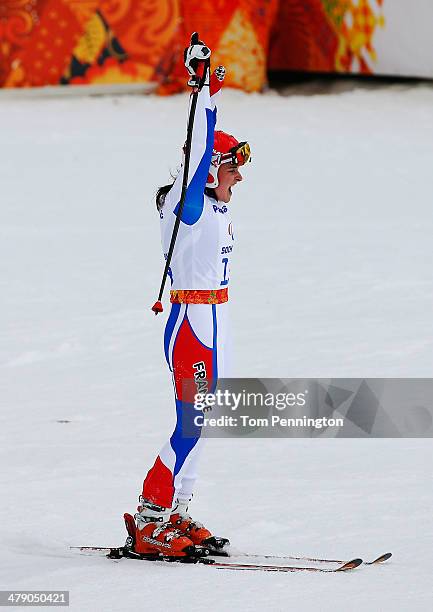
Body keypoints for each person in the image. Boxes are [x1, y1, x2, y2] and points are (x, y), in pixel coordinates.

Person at [124, 35, 251, 559]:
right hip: (190, 324)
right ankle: (152, 515)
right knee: (190, 420)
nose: (238, 176)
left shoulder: (215, 205)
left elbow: (208, 161)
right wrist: (205, 94)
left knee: (204, 420)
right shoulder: (189, 206)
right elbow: (197, 157)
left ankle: (176, 506)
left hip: (211, 319)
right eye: (231, 167)